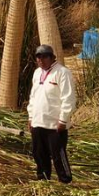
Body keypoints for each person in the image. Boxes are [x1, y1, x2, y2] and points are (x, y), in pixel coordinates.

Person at [27, 44, 76, 183]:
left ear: (52, 57)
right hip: (38, 121)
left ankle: (65, 181)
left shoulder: (62, 72)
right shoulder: (37, 73)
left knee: (58, 155)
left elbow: (68, 98)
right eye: (38, 57)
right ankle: (43, 179)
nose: (41, 60)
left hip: (55, 123)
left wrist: (63, 120)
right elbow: (33, 97)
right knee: (39, 153)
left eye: (44, 57)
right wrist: (31, 116)